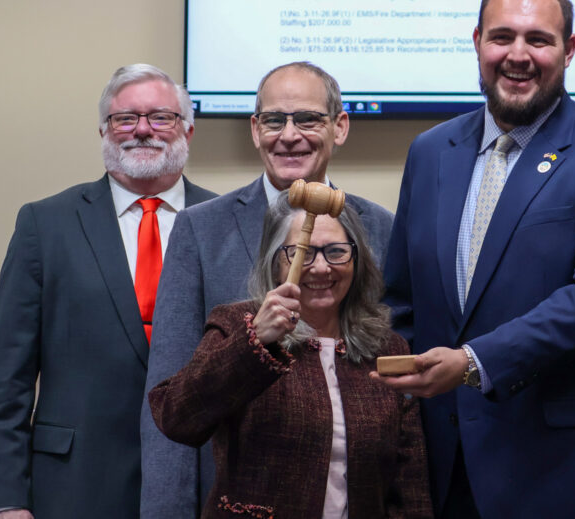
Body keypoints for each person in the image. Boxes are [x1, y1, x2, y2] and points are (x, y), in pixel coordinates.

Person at [374, 0, 575, 518]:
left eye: (538, 39)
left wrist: (473, 362)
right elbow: (401, 300)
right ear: (476, 43)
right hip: (452, 467)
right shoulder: (430, 151)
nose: (518, 55)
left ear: (569, 51)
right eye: (502, 37)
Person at [140, 61, 395, 518]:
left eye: (308, 119)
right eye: (275, 120)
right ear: (256, 130)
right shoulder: (201, 229)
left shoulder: (381, 229)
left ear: (340, 127)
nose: (289, 135)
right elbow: (169, 390)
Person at [0, 64, 217, 518]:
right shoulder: (45, 225)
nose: (142, 130)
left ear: (187, 129)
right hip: (74, 486)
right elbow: (6, 383)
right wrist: (4, 503)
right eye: (125, 118)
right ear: (103, 131)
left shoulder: (224, 222)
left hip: (200, 483)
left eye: (160, 117)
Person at [148, 194, 432, 519]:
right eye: (302, 253)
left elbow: (409, 482)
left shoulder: (388, 347)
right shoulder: (237, 325)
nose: (322, 267)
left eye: (337, 252)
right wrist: (254, 340)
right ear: (277, 261)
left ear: (357, 259)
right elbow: (177, 419)